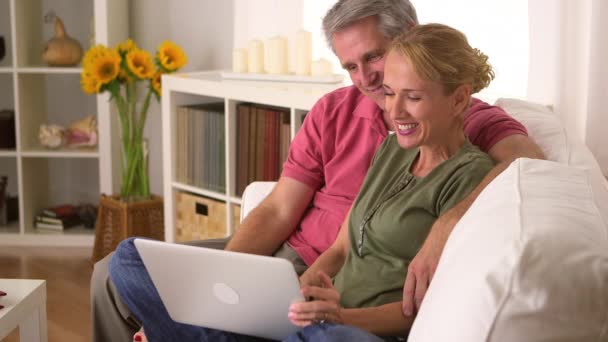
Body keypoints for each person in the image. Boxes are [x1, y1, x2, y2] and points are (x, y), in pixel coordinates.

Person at [91, 0, 544, 341]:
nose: (366, 80)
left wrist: (449, 221)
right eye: (350, 66)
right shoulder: (349, 120)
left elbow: (527, 164)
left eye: (374, 58)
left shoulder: (464, 119)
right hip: (296, 265)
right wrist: (217, 283)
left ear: (409, 40)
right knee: (119, 267)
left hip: (340, 296)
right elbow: (280, 210)